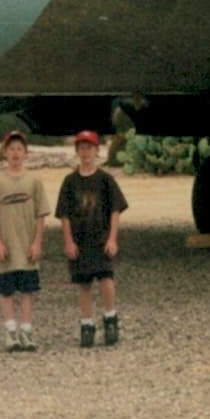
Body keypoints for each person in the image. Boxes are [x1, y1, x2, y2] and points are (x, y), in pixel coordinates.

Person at [55, 129, 128, 347]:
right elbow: (64, 214)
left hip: (101, 238)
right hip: (80, 240)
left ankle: (110, 317)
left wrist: (113, 238)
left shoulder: (105, 180)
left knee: (106, 278)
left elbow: (115, 210)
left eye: (90, 148)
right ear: (77, 151)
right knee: (83, 284)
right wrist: (68, 241)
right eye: (82, 148)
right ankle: (87, 323)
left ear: (97, 151)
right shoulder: (69, 181)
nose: (86, 152)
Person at [0, 130, 49, 352]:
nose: (15, 153)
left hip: (27, 247)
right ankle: (11, 332)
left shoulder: (34, 181)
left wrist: (37, 242)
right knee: (6, 291)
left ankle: (27, 331)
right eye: (11, 149)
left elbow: (41, 214)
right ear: (5, 153)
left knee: (27, 291)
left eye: (19, 149)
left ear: (26, 153)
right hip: (6, 247)